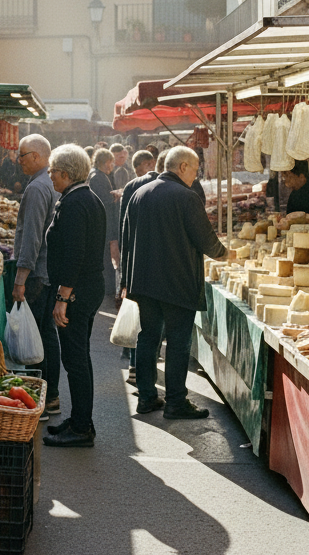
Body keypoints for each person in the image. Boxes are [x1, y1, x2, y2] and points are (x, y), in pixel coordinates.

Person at [121, 146, 227, 419]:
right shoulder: (186, 197)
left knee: (148, 337)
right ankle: (176, 402)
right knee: (178, 342)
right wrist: (225, 253)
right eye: (194, 169)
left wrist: (126, 280)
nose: (196, 175)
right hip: (177, 282)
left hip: (143, 282)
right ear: (182, 167)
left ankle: (146, 397)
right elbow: (205, 239)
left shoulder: (138, 194)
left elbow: (126, 242)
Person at [42, 144, 106, 447]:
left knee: (75, 358)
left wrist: (63, 298)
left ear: (66, 173)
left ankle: (81, 428)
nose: (50, 176)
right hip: (87, 288)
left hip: (78, 292)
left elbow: (74, 253)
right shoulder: (83, 198)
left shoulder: (75, 202)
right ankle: (81, 420)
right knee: (78, 357)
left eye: (53, 171)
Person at [11, 135, 61, 419]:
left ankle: (42, 396)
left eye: (23, 155)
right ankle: (50, 395)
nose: (19, 161)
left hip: (36, 275)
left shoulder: (38, 188)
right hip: (46, 272)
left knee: (38, 337)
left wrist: (20, 279)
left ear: (38, 156)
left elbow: (31, 239)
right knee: (45, 334)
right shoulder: (47, 184)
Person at [116, 149, 158, 385]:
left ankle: (135, 366)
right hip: (152, 265)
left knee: (139, 319)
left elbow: (124, 229)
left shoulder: (131, 187)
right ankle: (140, 370)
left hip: (134, 262)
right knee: (147, 325)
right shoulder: (159, 188)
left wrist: (124, 270)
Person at [88, 149, 120, 295]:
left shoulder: (97, 175)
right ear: (106, 162)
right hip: (102, 224)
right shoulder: (97, 177)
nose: (112, 165)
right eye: (111, 162)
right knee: (105, 258)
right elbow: (104, 200)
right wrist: (116, 195)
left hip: (102, 223)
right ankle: (107, 289)